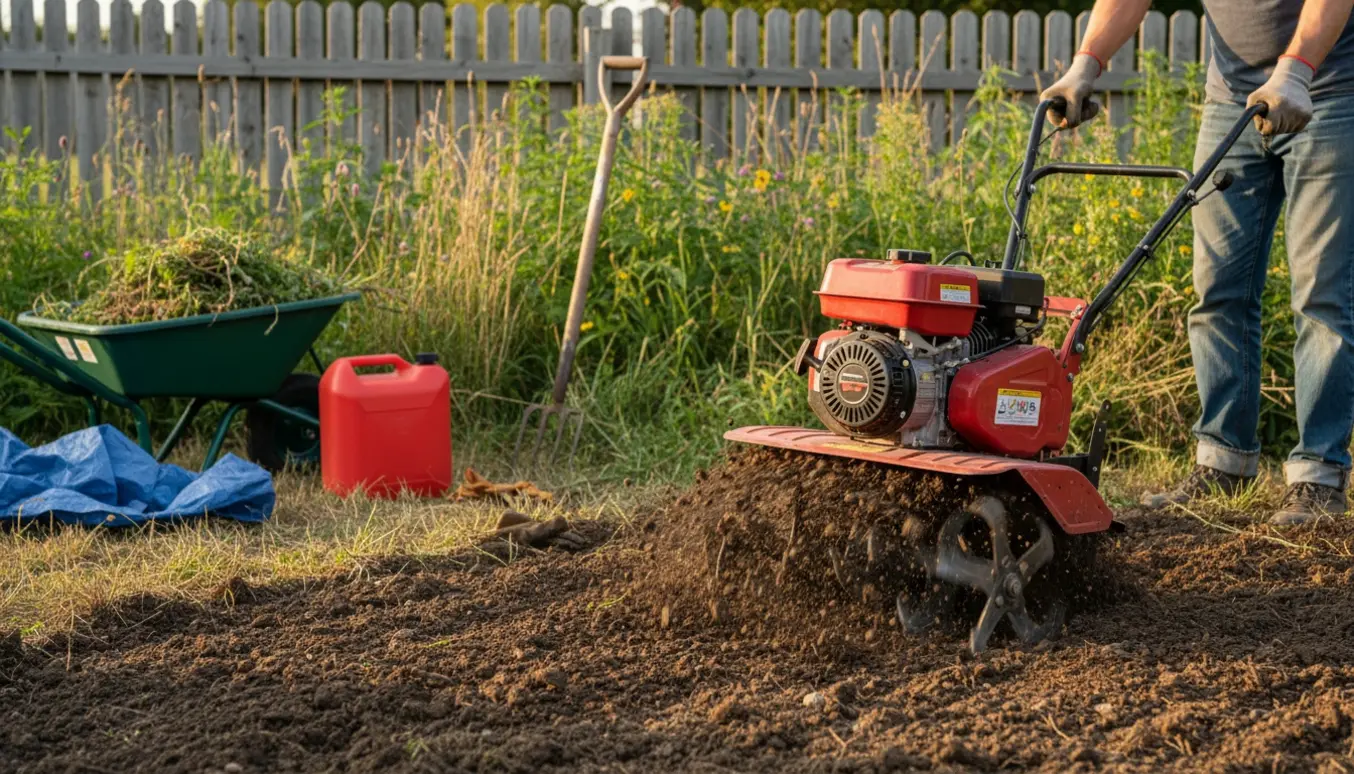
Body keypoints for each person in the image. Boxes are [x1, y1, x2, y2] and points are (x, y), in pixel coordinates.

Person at [1042, 0, 1354, 525]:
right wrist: (1085, 64)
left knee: (1321, 295)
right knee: (1217, 288)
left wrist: (1297, 69)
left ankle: (1319, 476)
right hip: (1231, 99)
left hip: (1329, 92)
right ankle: (1223, 462)